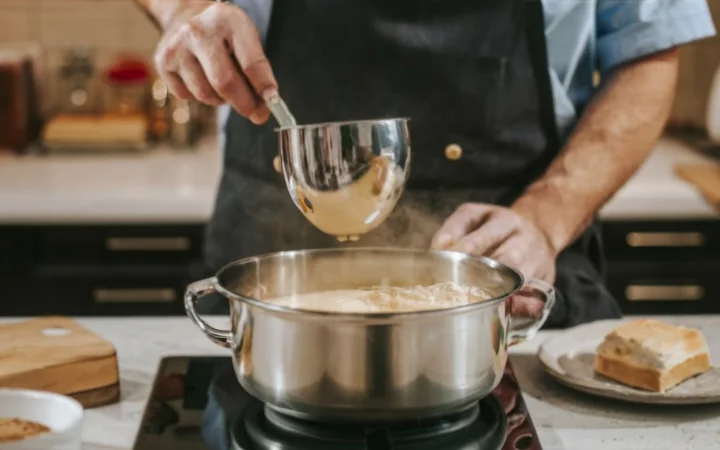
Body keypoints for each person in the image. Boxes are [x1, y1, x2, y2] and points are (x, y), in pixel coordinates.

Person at [137, 0, 715, 327]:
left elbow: (650, 49)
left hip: (509, 280)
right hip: (270, 289)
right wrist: (182, 9)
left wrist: (548, 214)